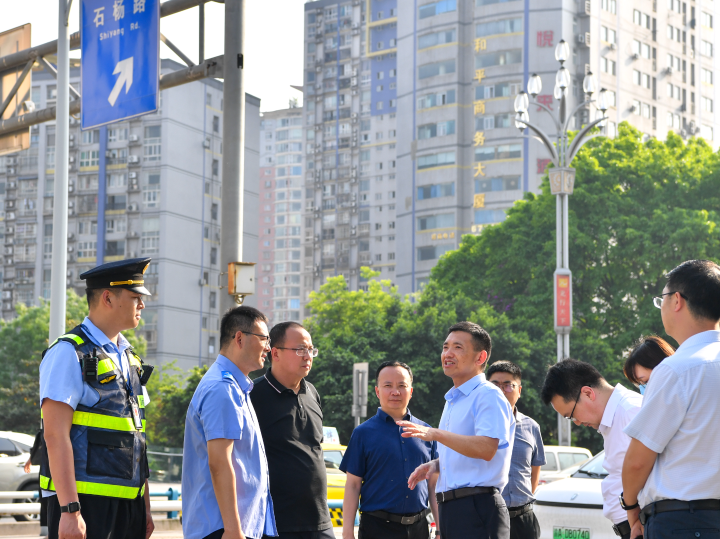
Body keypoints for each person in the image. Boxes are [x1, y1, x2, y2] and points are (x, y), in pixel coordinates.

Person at [39, 258, 155, 539]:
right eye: (135, 297)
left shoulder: (129, 358)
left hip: (129, 507)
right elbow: (55, 435)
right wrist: (70, 511)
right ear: (107, 298)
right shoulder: (68, 353)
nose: (142, 305)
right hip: (86, 506)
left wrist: (145, 507)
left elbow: (137, 436)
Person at [622, 260, 720, 539]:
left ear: (676, 300)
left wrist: (630, 508)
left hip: (683, 521)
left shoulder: (677, 369)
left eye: (661, 299)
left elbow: (638, 460)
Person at [401, 321, 515, 539]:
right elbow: (466, 451)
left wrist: (435, 434)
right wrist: (436, 464)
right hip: (451, 508)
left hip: (479, 507)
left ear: (480, 358)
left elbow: (486, 448)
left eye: (458, 347)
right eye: (445, 347)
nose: (448, 353)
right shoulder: (452, 399)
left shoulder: (487, 394)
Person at [182, 306, 277, 539]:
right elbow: (219, 463)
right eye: (264, 338)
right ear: (239, 338)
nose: (268, 347)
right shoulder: (222, 389)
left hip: (233, 527)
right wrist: (233, 529)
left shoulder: (236, 387)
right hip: (224, 529)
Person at [541, 359, 642, 539]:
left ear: (588, 393)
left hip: (640, 525)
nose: (578, 423)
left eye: (571, 416)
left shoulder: (631, 412)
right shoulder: (615, 417)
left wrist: (635, 519)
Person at [249, 322, 333, 539]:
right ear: (275, 353)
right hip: (276, 523)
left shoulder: (312, 392)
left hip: (320, 519)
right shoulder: (253, 395)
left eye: (311, 350)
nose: (308, 356)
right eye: (300, 349)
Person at [340, 361, 439, 539]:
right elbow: (353, 485)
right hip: (377, 528)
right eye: (388, 386)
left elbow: (433, 485)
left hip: (420, 529)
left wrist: (440, 528)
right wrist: (347, 532)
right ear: (377, 391)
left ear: (411, 391)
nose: (395, 392)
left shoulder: (426, 432)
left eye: (402, 386)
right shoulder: (362, 433)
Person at [486, 361, 546, 539]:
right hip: (490, 518)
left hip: (524, 519)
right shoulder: (476, 427)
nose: (501, 390)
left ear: (519, 391)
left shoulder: (531, 426)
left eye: (508, 385)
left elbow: (535, 468)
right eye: (495, 385)